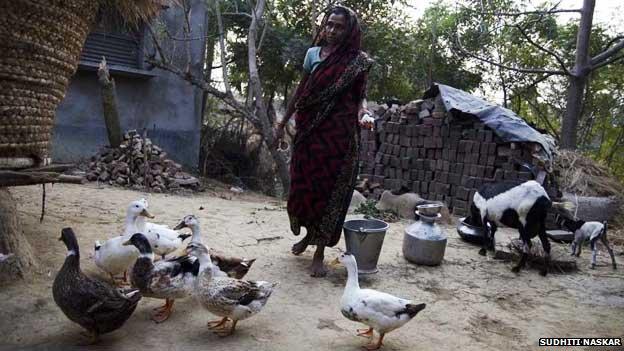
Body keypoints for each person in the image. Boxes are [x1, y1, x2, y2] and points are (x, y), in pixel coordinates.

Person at [274, 5, 374, 277]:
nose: (332, 30)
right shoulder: (312, 55)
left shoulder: (358, 61)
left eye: (339, 26)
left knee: (329, 193)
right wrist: (283, 122)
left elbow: (360, 96)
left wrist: (363, 112)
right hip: (308, 133)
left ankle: (319, 251)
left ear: (349, 30)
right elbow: (302, 90)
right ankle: (308, 235)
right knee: (304, 190)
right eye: (329, 24)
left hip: (338, 137)